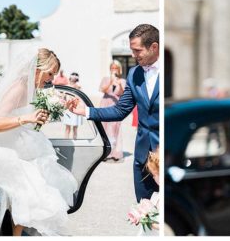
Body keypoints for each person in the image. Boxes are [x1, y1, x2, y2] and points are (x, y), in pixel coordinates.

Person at [0, 47, 76, 236]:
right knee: (32, 200)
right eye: (50, 73)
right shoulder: (20, 87)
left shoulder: (31, 88)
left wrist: (56, 109)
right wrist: (26, 119)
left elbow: (27, 115)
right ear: (37, 69)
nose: (51, 79)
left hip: (21, 150)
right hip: (7, 154)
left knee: (28, 206)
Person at [67, 24, 161, 202]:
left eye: (137, 50)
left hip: (166, 156)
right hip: (143, 159)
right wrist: (85, 110)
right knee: (145, 211)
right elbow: (120, 110)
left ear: (154, 47)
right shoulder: (134, 73)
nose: (133, 55)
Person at [100, 61, 128, 162]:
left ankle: (116, 152)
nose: (114, 69)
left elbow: (122, 93)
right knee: (104, 127)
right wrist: (110, 82)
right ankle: (106, 152)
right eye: (112, 67)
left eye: (116, 67)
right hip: (105, 104)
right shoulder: (106, 79)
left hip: (116, 105)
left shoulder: (122, 80)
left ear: (119, 69)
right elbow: (102, 90)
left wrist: (119, 84)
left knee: (115, 128)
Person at [62, 72, 84, 139]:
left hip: (76, 108)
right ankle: (66, 141)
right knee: (67, 127)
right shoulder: (66, 86)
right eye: (72, 76)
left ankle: (75, 141)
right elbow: (63, 97)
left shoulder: (79, 87)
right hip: (68, 108)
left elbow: (81, 98)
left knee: (75, 128)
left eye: (75, 77)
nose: (73, 78)